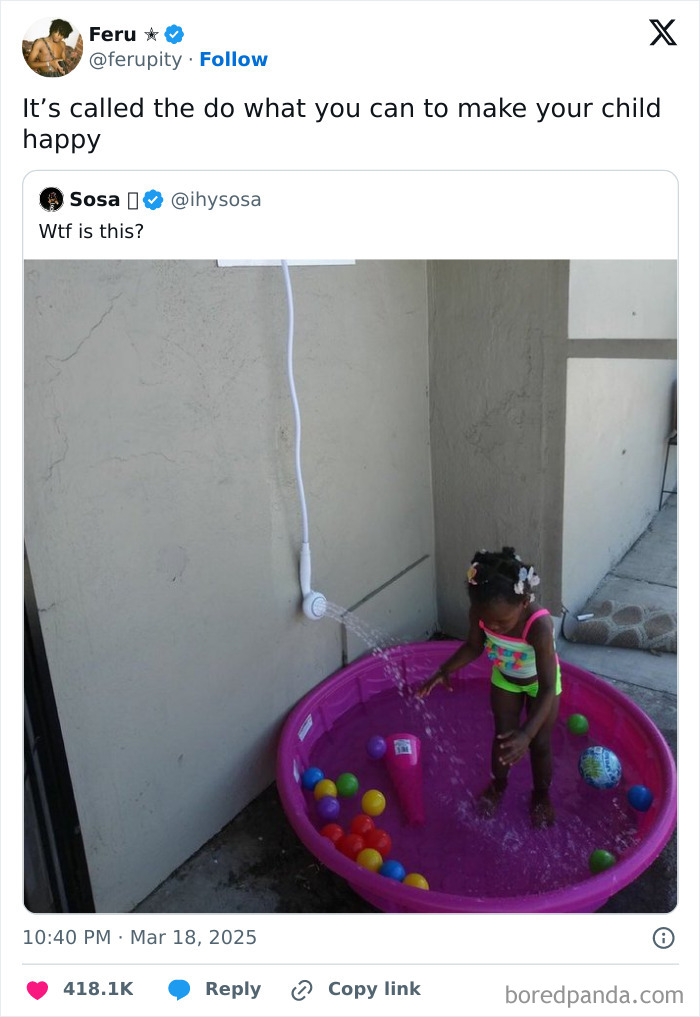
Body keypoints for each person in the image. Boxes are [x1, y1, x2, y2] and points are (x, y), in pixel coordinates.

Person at [418, 547, 561, 827]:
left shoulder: (538, 626)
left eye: (503, 621)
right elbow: (474, 645)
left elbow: (546, 687)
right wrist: (444, 670)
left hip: (539, 687)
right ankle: (498, 786)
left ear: (523, 603)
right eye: (489, 620)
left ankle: (542, 795)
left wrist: (528, 733)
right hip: (505, 679)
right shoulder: (480, 613)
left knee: (540, 744)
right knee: (502, 737)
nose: (495, 626)